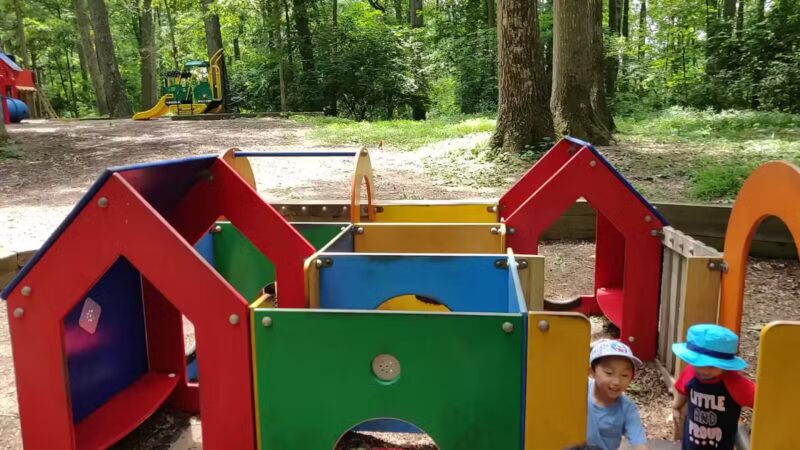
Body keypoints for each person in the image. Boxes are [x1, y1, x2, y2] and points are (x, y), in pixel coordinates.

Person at [671, 324, 755, 450]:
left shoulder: (735, 383)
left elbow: (761, 402)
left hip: (720, 445)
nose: (703, 370)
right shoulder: (690, 372)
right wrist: (676, 407)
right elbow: (683, 389)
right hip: (691, 442)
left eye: (711, 366)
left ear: (725, 365)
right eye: (697, 364)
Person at [586, 339, 648, 450]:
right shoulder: (580, 391)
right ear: (592, 372)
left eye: (624, 375)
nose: (616, 382)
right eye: (609, 373)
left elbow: (639, 442)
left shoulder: (626, 408)